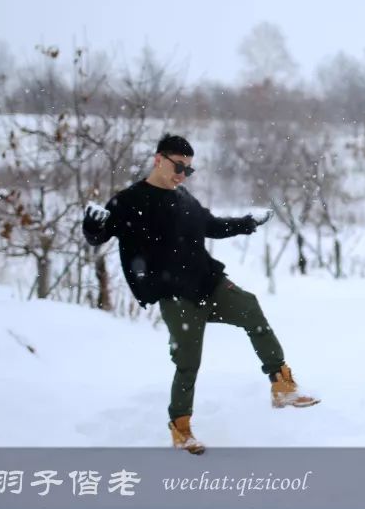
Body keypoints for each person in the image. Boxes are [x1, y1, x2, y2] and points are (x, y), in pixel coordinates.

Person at [82, 133, 319, 455]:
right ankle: (181, 428)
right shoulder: (129, 201)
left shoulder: (184, 200)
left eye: (188, 170)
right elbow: (99, 236)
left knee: (251, 310)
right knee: (188, 362)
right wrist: (92, 225)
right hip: (174, 294)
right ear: (158, 160)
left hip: (208, 282)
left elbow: (213, 226)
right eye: (178, 166)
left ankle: (282, 385)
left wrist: (247, 222)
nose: (182, 175)